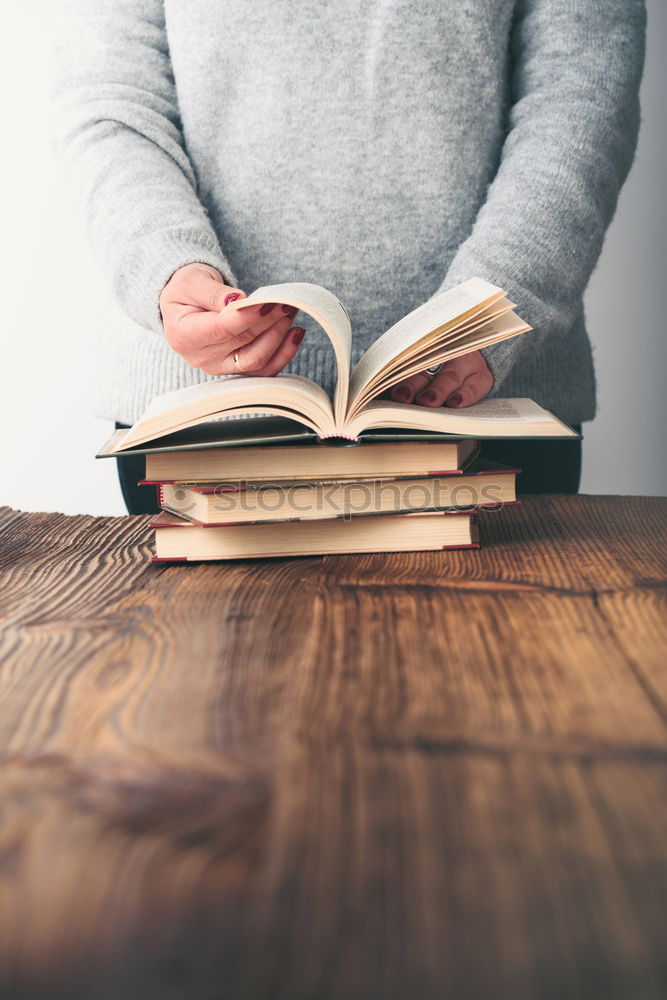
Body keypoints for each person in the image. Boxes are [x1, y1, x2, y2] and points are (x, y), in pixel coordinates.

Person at [53, 1, 646, 513]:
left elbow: (583, 90)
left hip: (488, 407)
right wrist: (168, 267)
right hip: (200, 414)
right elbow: (112, 101)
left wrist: (493, 307)